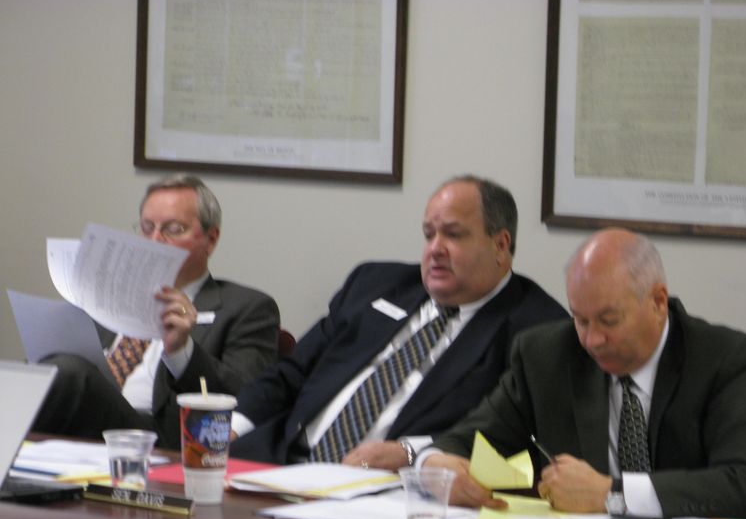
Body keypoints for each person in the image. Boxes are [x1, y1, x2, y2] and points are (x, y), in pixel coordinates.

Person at [425, 228, 746, 519]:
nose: (592, 340)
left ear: (658, 302)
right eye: (580, 319)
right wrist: (437, 465)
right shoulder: (547, 356)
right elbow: (463, 440)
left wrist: (612, 495)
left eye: (609, 321)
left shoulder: (730, 360)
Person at [229, 175, 568, 468]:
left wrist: (411, 453)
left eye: (453, 235)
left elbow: (517, 439)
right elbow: (292, 373)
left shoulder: (537, 328)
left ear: (500, 244)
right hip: (277, 460)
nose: (435, 249)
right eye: (429, 234)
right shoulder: (373, 284)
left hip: (389, 491)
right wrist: (232, 426)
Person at [33, 174, 280, 449]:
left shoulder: (248, 308)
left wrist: (181, 353)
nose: (155, 240)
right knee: (39, 376)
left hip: (161, 439)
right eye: (147, 227)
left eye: (173, 229)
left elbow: (247, 396)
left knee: (70, 373)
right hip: (81, 428)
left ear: (211, 239)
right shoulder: (104, 296)